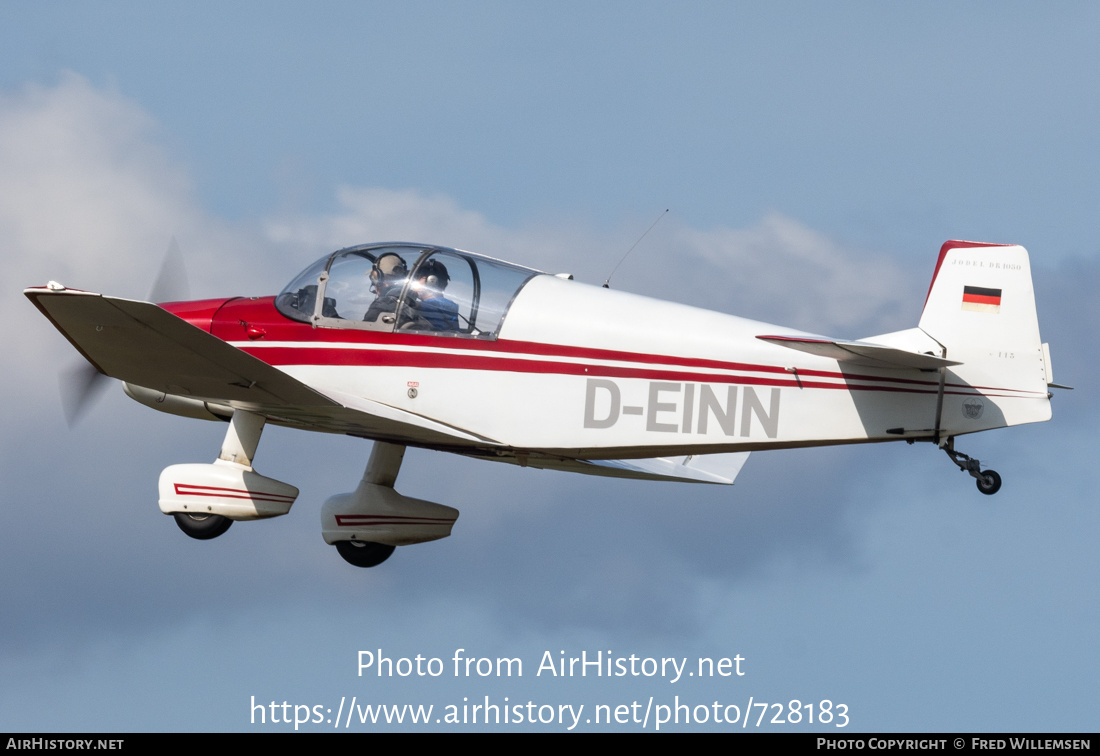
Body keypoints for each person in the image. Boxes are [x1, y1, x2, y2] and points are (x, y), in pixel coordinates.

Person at [408, 259, 459, 331]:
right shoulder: (449, 305)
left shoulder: (435, 305)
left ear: (431, 281)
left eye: (417, 278)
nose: (414, 283)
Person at [363, 252, 409, 323]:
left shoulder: (381, 306)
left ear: (378, 278)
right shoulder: (412, 303)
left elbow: (365, 329)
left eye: (373, 278)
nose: (373, 283)